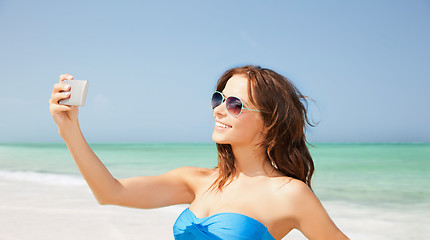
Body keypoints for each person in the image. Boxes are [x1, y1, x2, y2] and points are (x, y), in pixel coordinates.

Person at [49, 65, 349, 240]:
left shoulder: (289, 194)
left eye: (235, 104)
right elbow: (110, 193)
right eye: (219, 99)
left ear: (269, 124)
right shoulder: (197, 180)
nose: (220, 109)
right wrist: (69, 129)